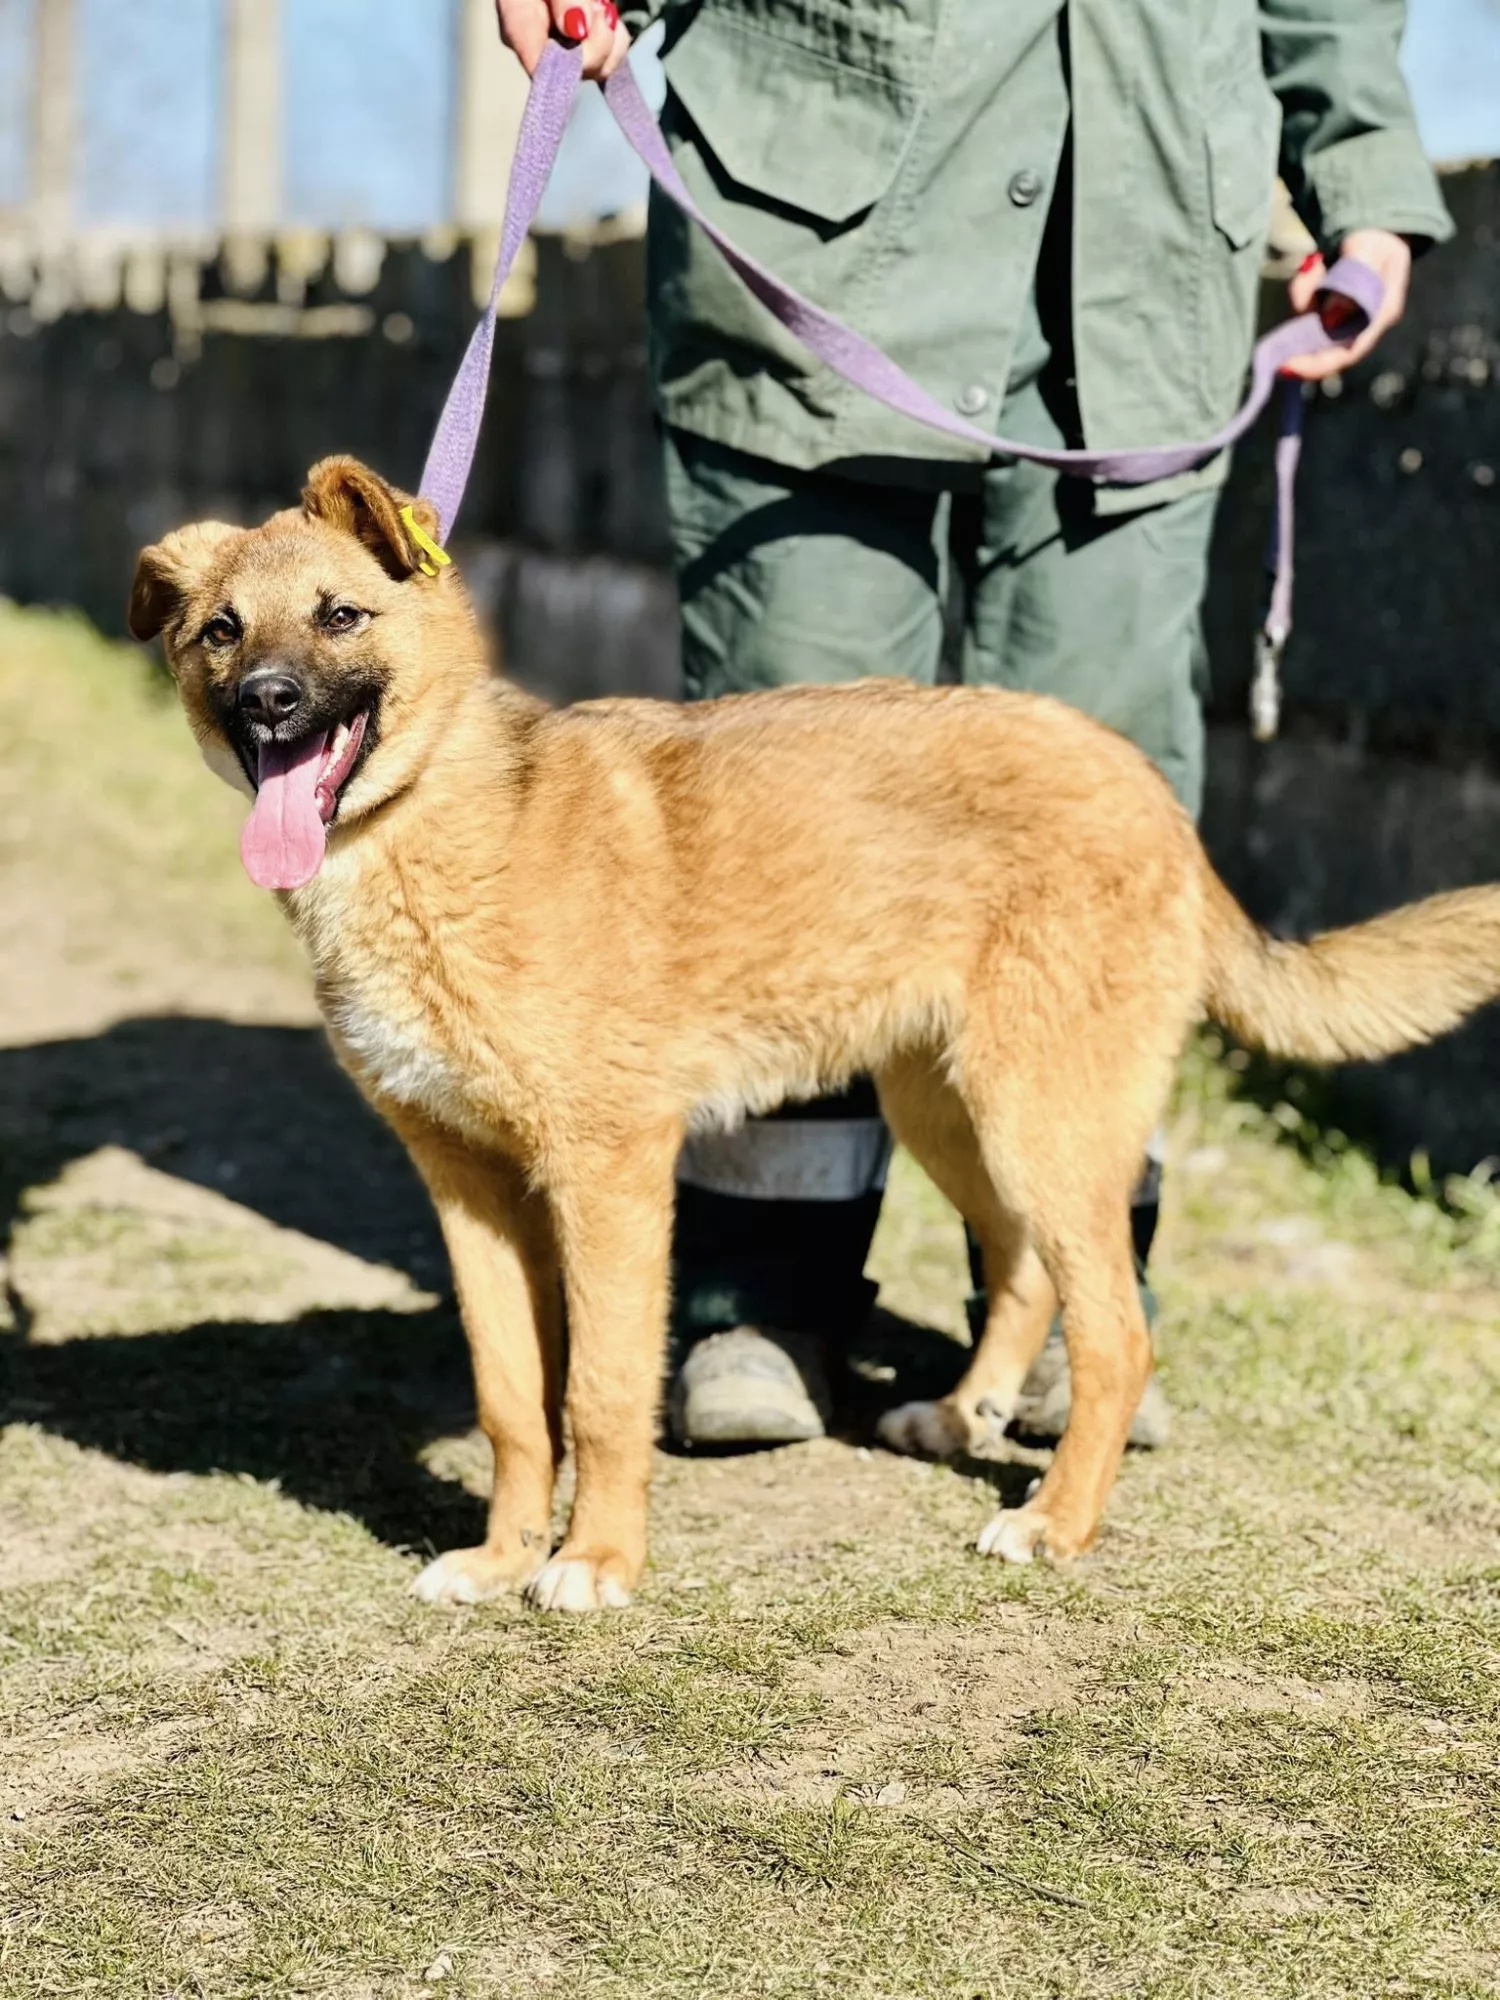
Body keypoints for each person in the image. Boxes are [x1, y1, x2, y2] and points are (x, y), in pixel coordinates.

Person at [493, 0, 1450, 1447]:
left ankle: (1073, 1305)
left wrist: (1361, 179)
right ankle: (760, 1297)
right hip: (817, 214)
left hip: (1143, 254)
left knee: (1094, 815)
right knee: (769, 826)